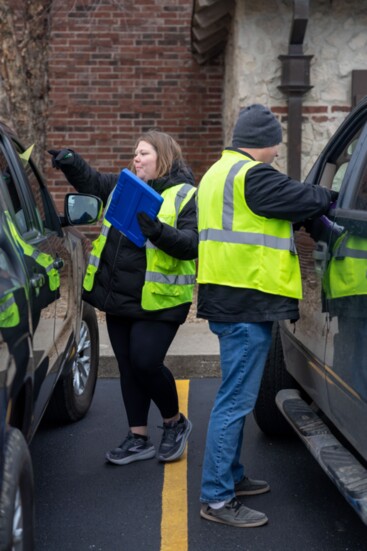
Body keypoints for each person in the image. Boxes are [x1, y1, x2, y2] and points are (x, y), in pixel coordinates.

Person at [196, 104, 339, 528]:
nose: (277, 152)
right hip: (245, 303)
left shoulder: (217, 174)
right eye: (276, 144)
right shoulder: (252, 176)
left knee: (234, 397)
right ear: (264, 143)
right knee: (235, 402)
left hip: (229, 299)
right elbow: (304, 197)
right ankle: (218, 499)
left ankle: (231, 477)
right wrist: (335, 197)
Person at [48, 130, 197, 465]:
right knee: (129, 368)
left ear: (163, 157)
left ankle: (175, 422)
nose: (136, 158)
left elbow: (192, 243)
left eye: (143, 153)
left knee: (146, 362)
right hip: (118, 295)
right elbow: (93, 183)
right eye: (135, 153)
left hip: (161, 300)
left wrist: (157, 231)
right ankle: (138, 437)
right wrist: (71, 163)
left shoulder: (185, 195)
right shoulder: (124, 185)